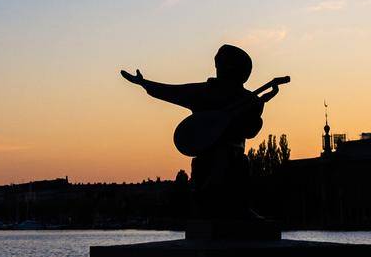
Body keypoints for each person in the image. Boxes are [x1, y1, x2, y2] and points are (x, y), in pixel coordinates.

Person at [120, 44, 281, 220]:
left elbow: (251, 130)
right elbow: (169, 91)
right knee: (211, 188)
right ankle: (211, 212)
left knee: (236, 177)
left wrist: (257, 109)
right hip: (208, 160)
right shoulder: (203, 92)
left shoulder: (247, 98)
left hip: (237, 159)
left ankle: (238, 210)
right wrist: (144, 83)